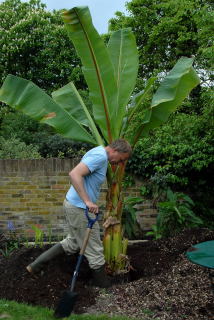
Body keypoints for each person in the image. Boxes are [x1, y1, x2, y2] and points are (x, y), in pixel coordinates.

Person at [26, 139, 132, 288]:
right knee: (95, 249)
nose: (118, 163)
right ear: (116, 150)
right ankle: (104, 290)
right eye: (120, 159)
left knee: (74, 243)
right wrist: (88, 201)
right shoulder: (100, 157)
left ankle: (35, 266)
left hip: (74, 205)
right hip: (79, 208)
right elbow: (74, 174)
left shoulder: (98, 152)